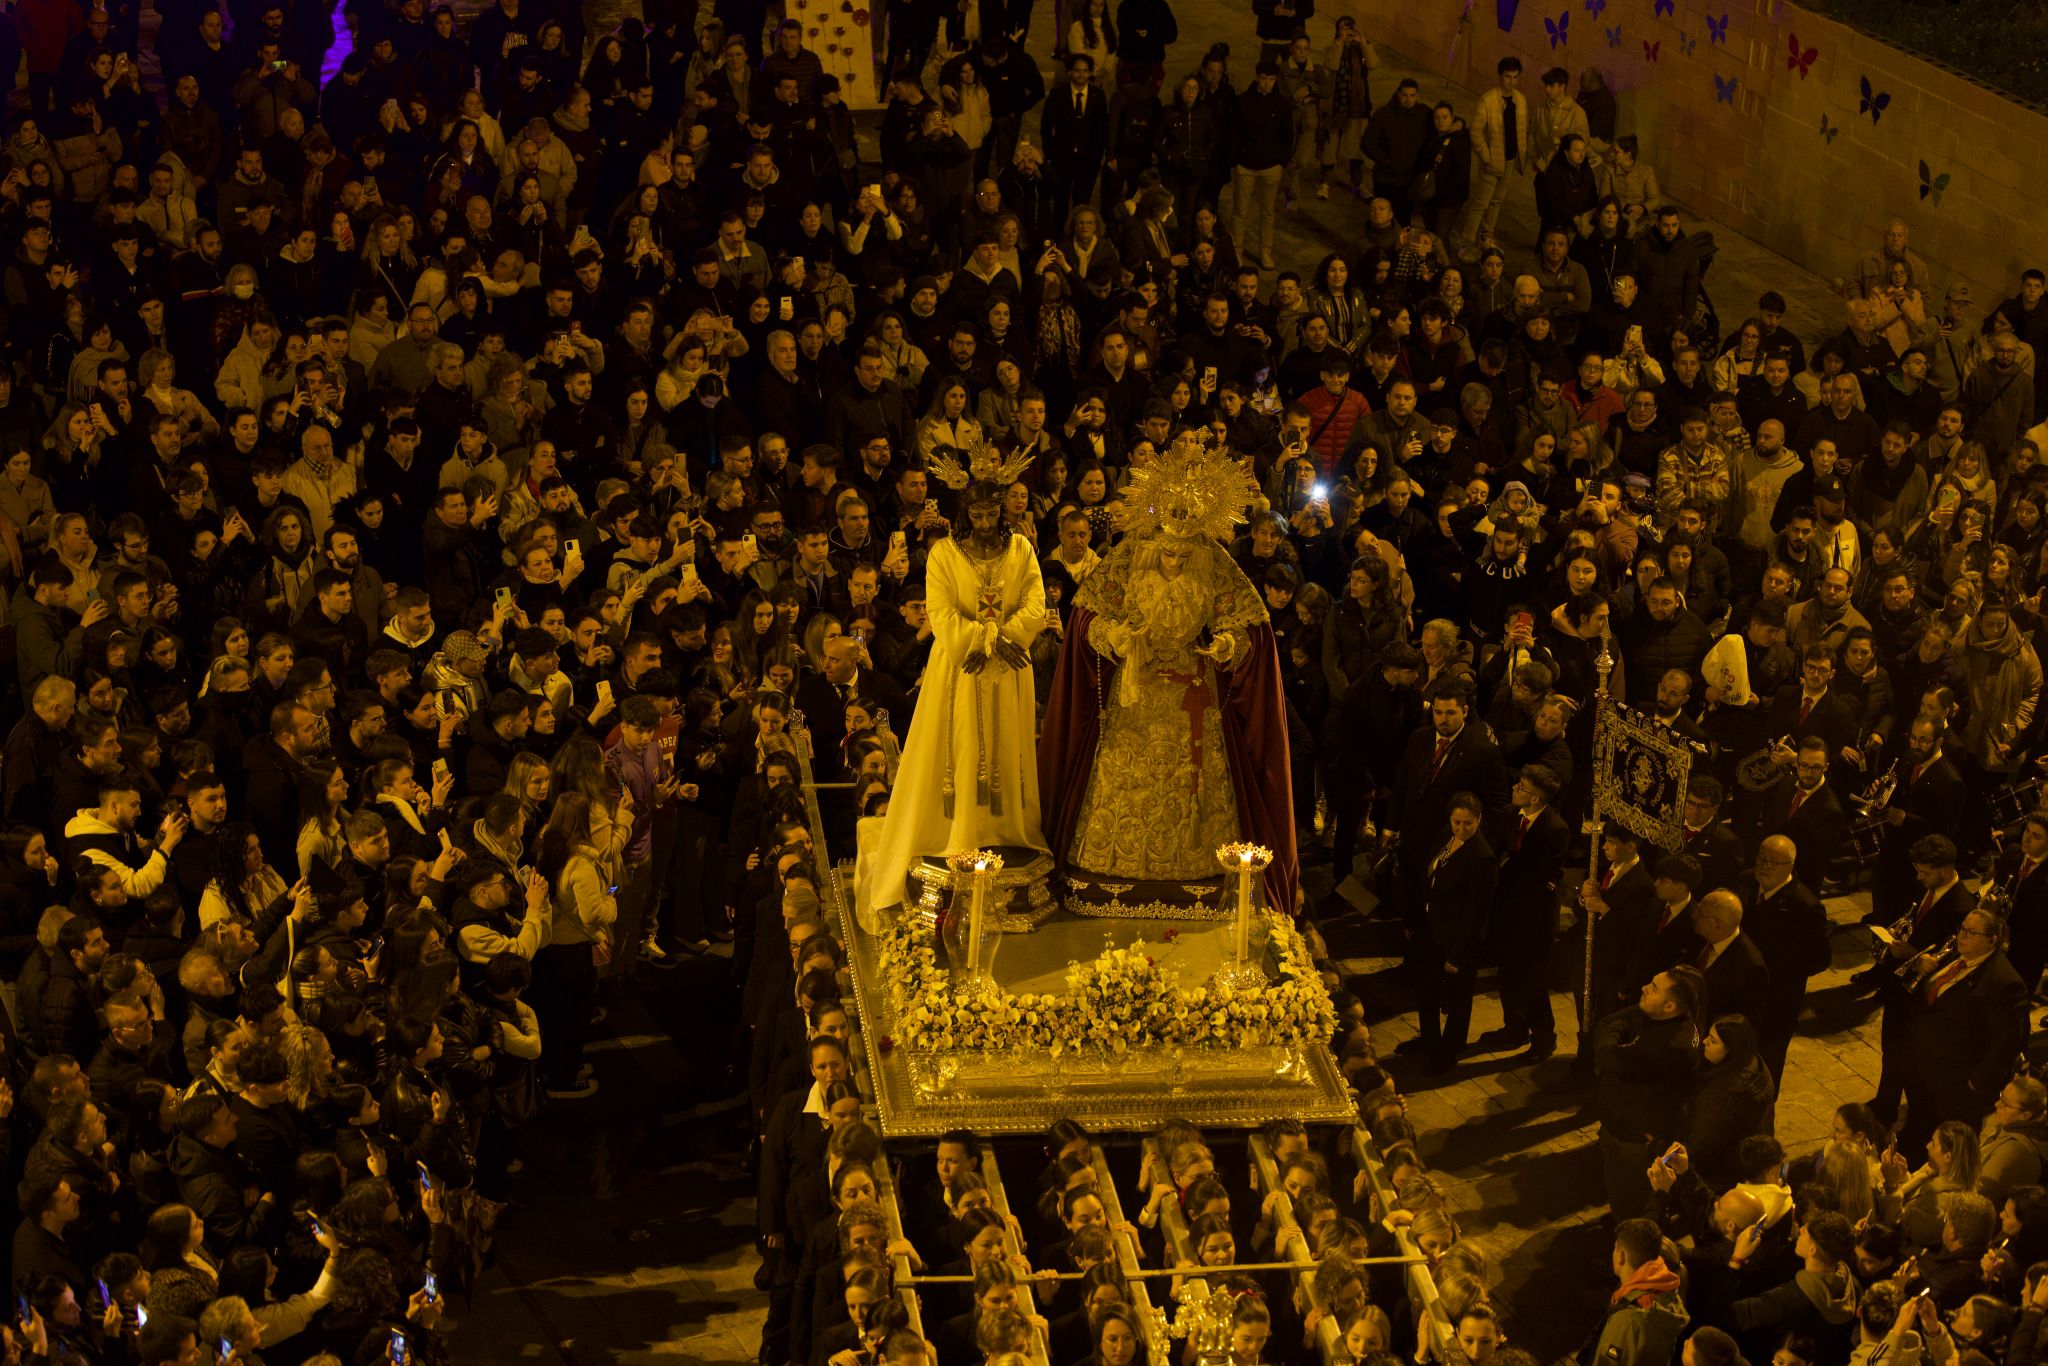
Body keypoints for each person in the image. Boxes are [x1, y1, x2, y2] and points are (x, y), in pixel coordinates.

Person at [1042, 434, 1296, 914]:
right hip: (1133, 698)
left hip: (1191, 696)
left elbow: (1244, 621)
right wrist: (1114, 638)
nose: (1176, 560)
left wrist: (1226, 644)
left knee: (1193, 792)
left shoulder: (1215, 562)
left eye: (1184, 555)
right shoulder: (1131, 554)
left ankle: (1199, 866)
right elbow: (1088, 614)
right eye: (1169, 553)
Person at [856, 460, 1048, 923]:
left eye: (990, 514)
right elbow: (939, 612)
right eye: (976, 515)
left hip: (1007, 666)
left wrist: (1003, 639)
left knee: (1005, 745)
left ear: (1000, 510)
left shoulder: (1021, 548)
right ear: (967, 513)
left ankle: (1005, 828)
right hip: (961, 666)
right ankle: (960, 826)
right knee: (959, 744)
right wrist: (978, 642)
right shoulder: (945, 553)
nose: (984, 524)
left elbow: (1036, 600)